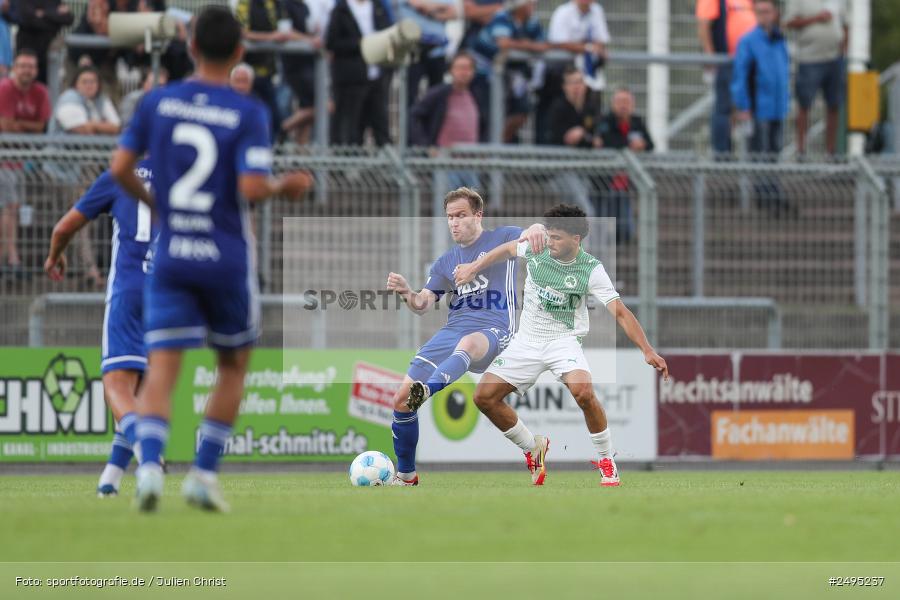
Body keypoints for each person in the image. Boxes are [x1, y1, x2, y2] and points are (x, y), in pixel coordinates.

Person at [110, 5, 314, 512]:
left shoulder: (157, 101)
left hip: (172, 253)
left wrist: (162, 206)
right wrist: (283, 187)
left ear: (191, 45)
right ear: (240, 52)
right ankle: (203, 474)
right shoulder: (248, 111)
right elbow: (249, 186)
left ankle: (151, 469)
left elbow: (119, 168)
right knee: (233, 364)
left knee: (162, 367)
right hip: (224, 255)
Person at [454, 204, 668, 487]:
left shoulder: (591, 269)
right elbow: (505, 250)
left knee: (583, 393)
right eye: (549, 235)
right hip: (526, 342)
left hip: (563, 341)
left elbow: (620, 311)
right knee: (483, 398)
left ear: (576, 239)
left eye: (557, 237)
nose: (550, 241)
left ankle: (607, 460)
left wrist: (647, 349)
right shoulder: (536, 248)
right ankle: (533, 448)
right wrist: (473, 267)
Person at [385, 187, 546, 485]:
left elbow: (532, 233)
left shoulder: (501, 237)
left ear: (478, 215)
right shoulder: (446, 261)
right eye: (449, 217)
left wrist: (536, 228)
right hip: (454, 330)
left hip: (497, 328)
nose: (454, 223)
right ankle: (406, 476)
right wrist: (407, 292)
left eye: (461, 215)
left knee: (468, 344)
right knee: (399, 400)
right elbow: (422, 305)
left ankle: (428, 391)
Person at [44, 161, 157, 497]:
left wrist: (54, 256)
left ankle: (148, 458)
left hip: (129, 290)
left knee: (117, 385)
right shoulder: (180, 174)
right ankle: (110, 480)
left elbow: (63, 229)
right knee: (140, 393)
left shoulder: (119, 177)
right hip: (168, 293)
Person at [0, 49, 52, 280]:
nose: (26, 70)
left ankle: (9, 258)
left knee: (13, 208)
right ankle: (11, 258)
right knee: (10, 207)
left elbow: (41, 127)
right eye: (22, 66)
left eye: (30, 66)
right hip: (4, 158)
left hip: (18, 161)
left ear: (36, 70)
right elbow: (6, 125)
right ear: (14, 68)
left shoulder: (40, 91)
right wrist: (24, 127)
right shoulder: (5, 88)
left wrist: (17, 126)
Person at [471, 0, 548, 143]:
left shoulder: (532, 21)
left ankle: (498, 143)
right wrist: (528, 45)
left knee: (523, 109)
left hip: (511, 75)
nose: (533, 6)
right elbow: (504, 43)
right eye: (529, 3)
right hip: (483, 76)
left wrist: (525, 46)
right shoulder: (502, 16)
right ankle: (487, 151)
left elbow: (543, 44)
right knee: (488, 117)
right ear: (519, 6)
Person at [540, 0, 610, 144]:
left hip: (590, 75)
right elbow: (559, 42)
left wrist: (588, 46)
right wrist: (587, 47)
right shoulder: (563, 12)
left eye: (578, 84)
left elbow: (601, 41)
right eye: (573, 84)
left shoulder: (596, 11)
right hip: (562, 71)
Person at [325, 0, 394, 146]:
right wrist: (362, 44)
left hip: (376, 76)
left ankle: (385, 162)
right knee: (350, 126)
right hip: (351, 78)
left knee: (380, 124)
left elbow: (388, 33)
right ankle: (346, 162)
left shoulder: (378, 7)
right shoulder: (341, 9)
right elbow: (331, 42)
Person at [784, 0, 847, 155]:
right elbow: (789, 22)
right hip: (809, 59)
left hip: (834, 59)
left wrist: (842, 50)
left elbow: (846, 25)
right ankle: (801, 150)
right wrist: (816, 18)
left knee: (834, 105)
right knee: (804, 104)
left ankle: (831, 152)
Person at [696, 0, 756, 154]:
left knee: (748, 109)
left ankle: (752, 154)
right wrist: (710, 57)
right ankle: (722, 155)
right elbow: (703, 24)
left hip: (749, 62)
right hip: (726, 62)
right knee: (724, 108)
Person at [596, 86, 654, 243]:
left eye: (627, 101)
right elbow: (607, 140)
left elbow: (649, 144)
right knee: (600, 224)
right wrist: (630, 144)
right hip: (603, 182)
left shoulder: (637, 122)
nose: (623, 105)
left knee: (625, 231)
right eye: (620, 101)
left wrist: (642, 144)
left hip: (625, 184)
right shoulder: (605, 121)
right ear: (613, 103)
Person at [732, 0, 789, 157]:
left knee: (775, 151)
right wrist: (743, 106)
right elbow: (740, 76)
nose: (764, 16)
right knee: (758, 152)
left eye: (767, 11)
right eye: (760, 12)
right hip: (758, 109)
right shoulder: (748, 41)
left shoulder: (779, 40)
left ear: (775, 13)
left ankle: (773, 182)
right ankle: (759, 182)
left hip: (778, 108)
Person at [409, 52, 486, 148]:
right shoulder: (439, 94)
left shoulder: (476, 96)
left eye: (468, 68)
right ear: (451, 70)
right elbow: (414, 116)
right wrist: (425, 145)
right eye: (459, 68)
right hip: (443, 157)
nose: (463, 72)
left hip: (470, 158)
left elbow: (484, 126)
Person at [399, 0, 457, 105]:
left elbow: (453, 14)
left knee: (437, 95)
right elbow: (415, 4)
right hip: (412, 50)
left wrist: (428, 9)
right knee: (409, 95)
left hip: (437, 51)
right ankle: (410, 121)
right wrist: (439, 8)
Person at [15, 0, 74, 84]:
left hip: (47, 54)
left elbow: (69, 19)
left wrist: (44, 13)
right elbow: (28, 19)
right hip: (27, 52)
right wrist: (55, 16)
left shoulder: (55, 2)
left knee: (46, 88)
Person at [53, 66, 121, 135]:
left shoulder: (102, 99)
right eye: (84, 82)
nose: (89, 85)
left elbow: (117, 127)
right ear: (75, 84)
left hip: (96, 145)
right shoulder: (69, 98)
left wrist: (93, 125)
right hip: (62, 145)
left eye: (93, 82)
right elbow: (82, 129)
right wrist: (103, 125)